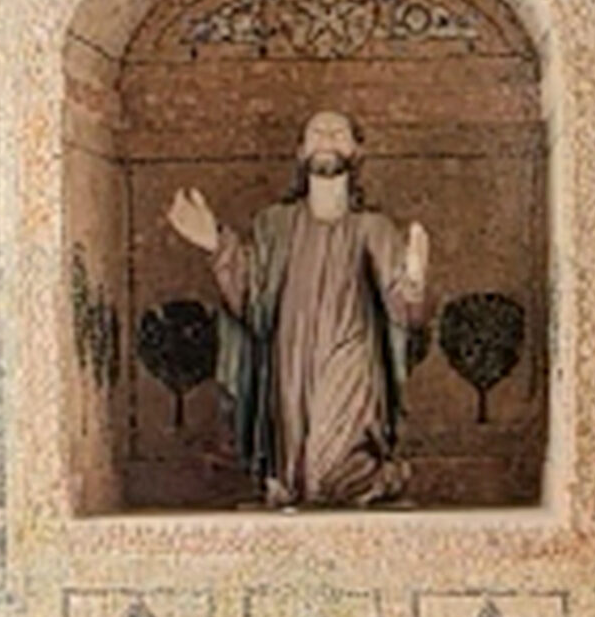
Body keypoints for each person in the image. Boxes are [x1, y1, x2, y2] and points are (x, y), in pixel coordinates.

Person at [165, 110, 431, 507]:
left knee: (334, 466)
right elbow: (251, 297)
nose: (326, 137)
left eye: (337, 132)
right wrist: (216, 244)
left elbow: (404, 308)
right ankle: (297, 484)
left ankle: (377, 478)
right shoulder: (275, 224)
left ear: (356, 152)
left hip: (351, 355)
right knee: (298, 464)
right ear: (300, 151)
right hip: (290, 355)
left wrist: (413, 283)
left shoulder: (374, 227)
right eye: (316, 132)